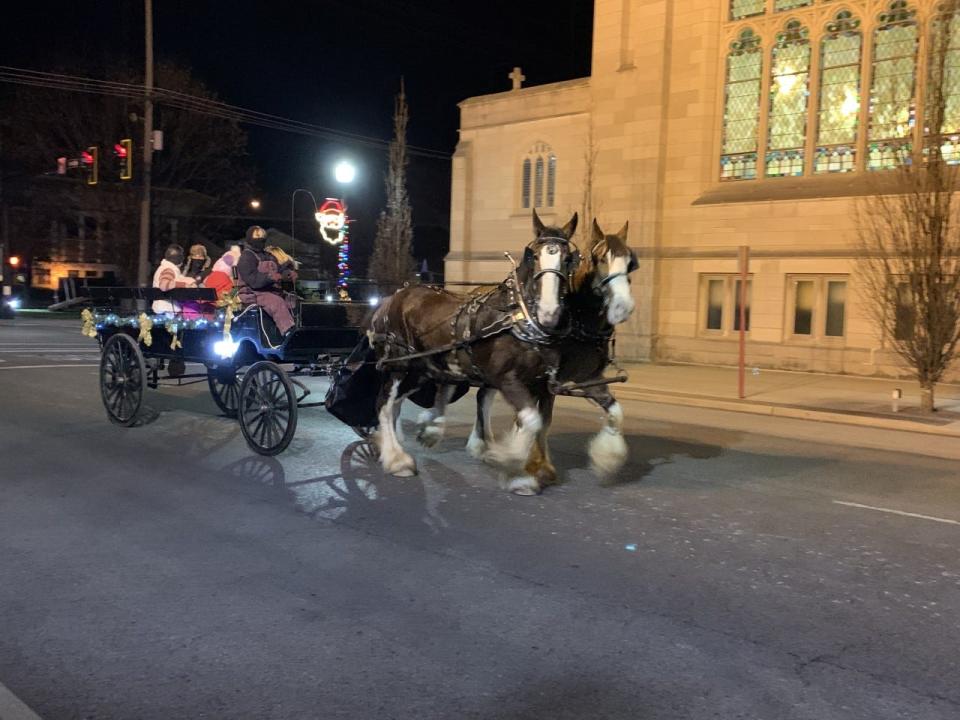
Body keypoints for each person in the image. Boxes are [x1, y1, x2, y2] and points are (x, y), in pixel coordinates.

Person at [236, 226, 296, 337]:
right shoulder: (246, 257)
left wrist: (287, 272)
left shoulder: (268, 255)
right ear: (250, 238)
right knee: (277, 302)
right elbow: (253, 281)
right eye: (257, 236)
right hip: (252, 293)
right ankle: (288, 332)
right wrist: (272, 277)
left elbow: (279, 269)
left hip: (270, 291)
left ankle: (299, 329)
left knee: (292, 300)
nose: (260, 239)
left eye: (262, 237)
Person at [152, 244, 197, 314]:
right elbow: (164, 285)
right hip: (167, 309)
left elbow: (177, 279)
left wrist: (189, 281)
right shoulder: (169, 269)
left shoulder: (165, 267)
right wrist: (183, 285)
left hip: (164, 308)